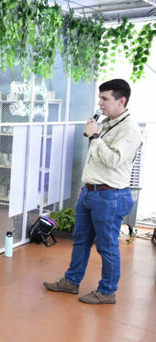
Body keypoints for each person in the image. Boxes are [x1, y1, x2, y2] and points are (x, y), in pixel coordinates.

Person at [43, 79, 141, 304]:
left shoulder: (130, 129)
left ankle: (107, 292)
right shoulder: (107, 123)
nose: (100, 103)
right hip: (91, 192)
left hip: (110, 196)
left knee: (107, 246)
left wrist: (95, 137)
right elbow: (94, 159)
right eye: (100, 98)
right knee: (81, 240)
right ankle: (71, 281)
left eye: (105, 98)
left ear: (121, 100)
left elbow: (113, 160)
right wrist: (85, 185)